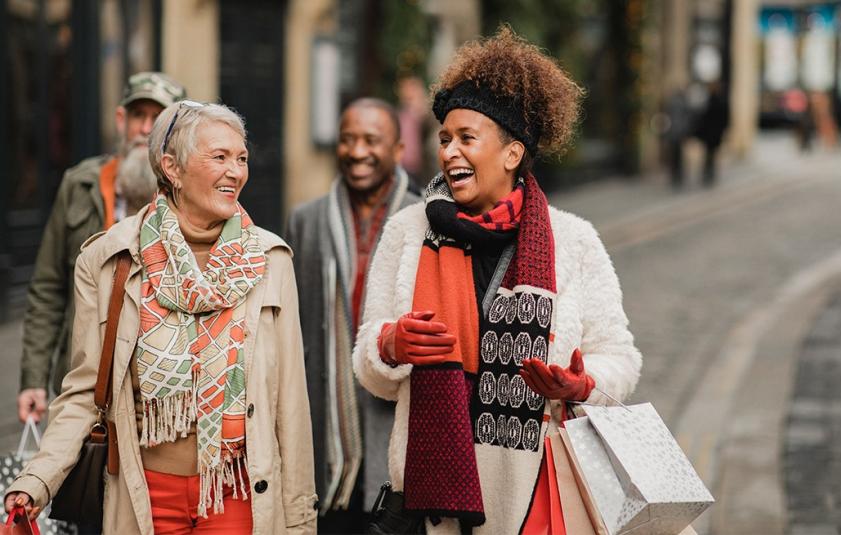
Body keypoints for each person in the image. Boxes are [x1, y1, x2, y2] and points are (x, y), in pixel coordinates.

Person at [353, 27, 642, 534]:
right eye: (445, 139)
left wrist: (582, 383)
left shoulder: (571, 241)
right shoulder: (407, 232)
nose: (449, 152)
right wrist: (391, 345)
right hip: (429, 502)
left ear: (512, 154)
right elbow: (369, 366)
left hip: (535, 494)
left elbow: (619, 356)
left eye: (467, 138)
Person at [4, 100, 317, 534]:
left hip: (236, 493)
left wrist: (300, 520)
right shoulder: (111, 258)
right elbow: (83, 391)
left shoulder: (270, 259)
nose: (236, 171)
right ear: (172, 168)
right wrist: (36, 481)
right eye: (219, 157)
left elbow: (291, 405)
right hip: (144, 495)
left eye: (241, 158)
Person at [18, 72, 186, 425]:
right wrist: (33, 380)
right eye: (138, 116)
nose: (145, 129)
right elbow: (48, 288)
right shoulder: (79, 184)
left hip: (155, 390)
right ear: (121, 120)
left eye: (158, 119)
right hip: (80, 379)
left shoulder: (189, 197)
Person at [286, 97, 419, 534]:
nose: (357, 150)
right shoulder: (305, 221)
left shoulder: (426, 220)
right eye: (347, 139)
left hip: (398, 433)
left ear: (398, 150)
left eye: (371, 140)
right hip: (324, 436)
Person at [695, 81, 729, 186]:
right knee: (711, 154)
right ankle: (710, 173)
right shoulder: (718, 102)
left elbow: (703, 118)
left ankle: (708, 173)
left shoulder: (709, 102)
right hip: (714, 134)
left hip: (710, 134)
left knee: (708, 154)